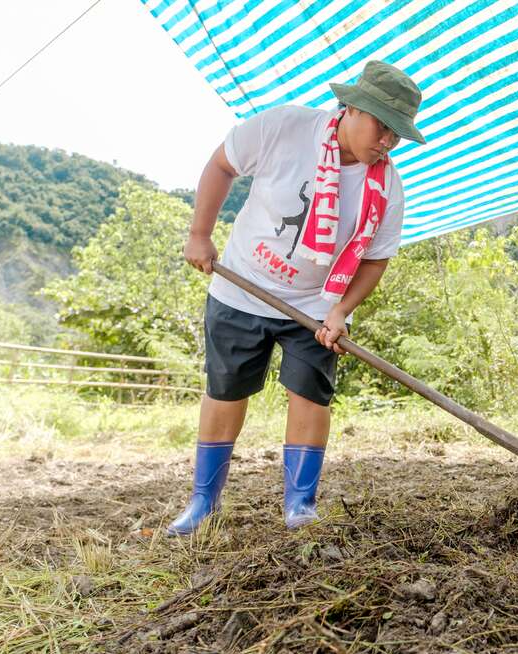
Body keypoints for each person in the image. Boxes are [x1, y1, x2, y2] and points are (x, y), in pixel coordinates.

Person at [167, 61, 425, 536]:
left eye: (397, 133)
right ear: (351, 108)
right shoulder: (285, 127)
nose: (388, 141)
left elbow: (376, 258)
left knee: (310, 393)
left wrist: (341, 310)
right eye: (382, 126)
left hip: (313, 305)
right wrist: (199, 233)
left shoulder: (386, 186)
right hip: (242, 284)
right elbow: (222, 164)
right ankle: (203, 503)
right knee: (226, 391)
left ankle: (299, 508)